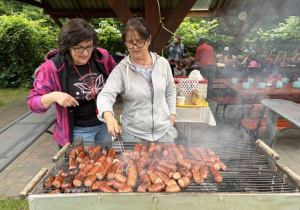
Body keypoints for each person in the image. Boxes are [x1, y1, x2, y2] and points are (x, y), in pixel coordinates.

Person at [27, 19, 116, 147]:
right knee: (82, 166)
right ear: (67, 47)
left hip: (104, 124)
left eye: (89, 46)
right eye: (79, 48)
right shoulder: (52, 68)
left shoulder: (101, 57)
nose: (86, 53)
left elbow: (118, 79)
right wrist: (54, 96)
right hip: (77, 131)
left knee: (105, 161)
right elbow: (33, 103)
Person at [97, 15, 176, 143]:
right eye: (130, 42)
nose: (135, 47)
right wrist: (108, 115)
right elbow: (105, 95)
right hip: (134, 136)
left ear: (149, 40)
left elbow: (170, 91)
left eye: (140, 41)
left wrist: (171, 117)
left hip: (164, 132)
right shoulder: (121, 70)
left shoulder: (162, 63)